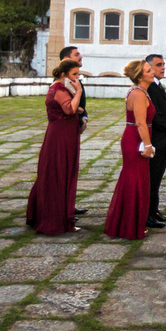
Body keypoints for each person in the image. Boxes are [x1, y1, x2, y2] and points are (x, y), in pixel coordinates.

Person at [27, 60, 84, 235]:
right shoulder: (59, 89)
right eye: (74, 74)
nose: (77, 78)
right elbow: (69, 110)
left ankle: (52, 213)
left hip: (62, 133)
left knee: (58, 172)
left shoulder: (58, 87)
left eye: (78, 75)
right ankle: (55, 218)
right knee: (60, 172)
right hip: (60, 136)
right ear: (63, 75)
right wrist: (79, 92)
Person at [104, 60, 155, 239]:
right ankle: (130, 225)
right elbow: (140, 122)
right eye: (149, 70)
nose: (153, 72)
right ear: (140, 76)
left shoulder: (140, 92)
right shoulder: (139, 94)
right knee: (135, 181)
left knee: (135, 180)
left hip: (135, 136)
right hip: (135, 139)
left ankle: (130, 222)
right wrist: (148, 145)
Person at [145, 53, 166, 228]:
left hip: (164, 139)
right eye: (159, 65)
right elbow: (154, 115)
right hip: (157, 138)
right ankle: (148, 215)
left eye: (163, 64)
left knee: (157, 177)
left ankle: (154, 210)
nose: (163, 67)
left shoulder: (157, 86)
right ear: (149, 68)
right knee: (152, 178)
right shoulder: (149, 87)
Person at [59, 46, 90, 218]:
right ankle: (63, 207)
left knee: (72, 168)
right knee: (64, 168)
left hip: (74, 128)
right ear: (66, 59)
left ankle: (69, 204)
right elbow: (68, 107)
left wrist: (84, 117)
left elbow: (82, 105)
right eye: (77, 54)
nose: (81, 56)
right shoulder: (62, 83)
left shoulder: (75, 79)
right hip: (63, 130)